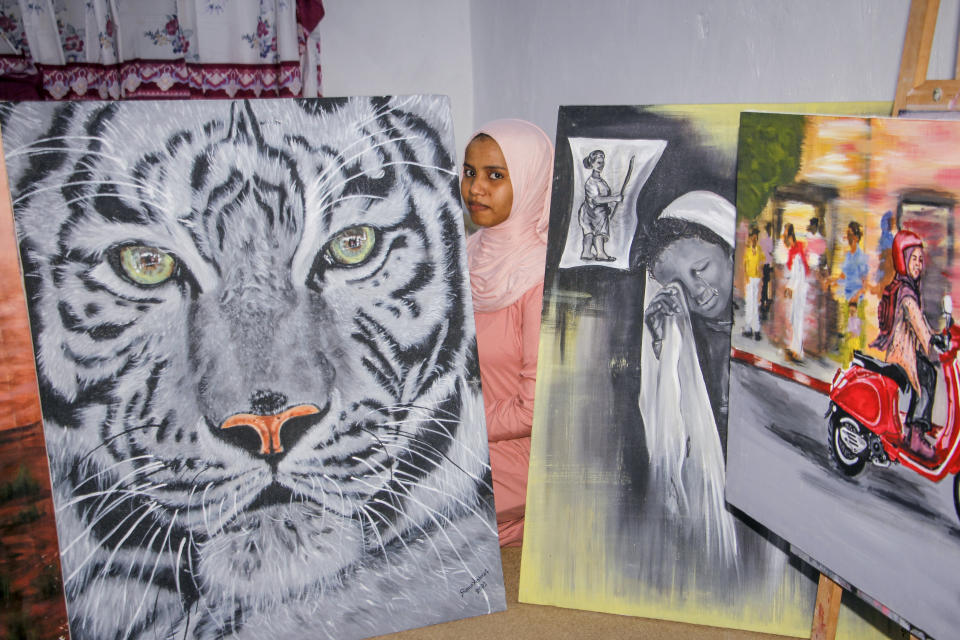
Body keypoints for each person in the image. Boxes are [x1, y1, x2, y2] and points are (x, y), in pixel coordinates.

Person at [462, 119, 553, 546]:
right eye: (469, 172)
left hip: (526, 450)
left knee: (418, 498)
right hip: (466, 435)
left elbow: (533, 412)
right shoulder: (464, 257)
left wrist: (455, 422)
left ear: (532, 180)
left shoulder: (539, 280)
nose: (476, 188)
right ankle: (513, 527)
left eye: (495, 176)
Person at [640, 190, 737, 565]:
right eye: (678, 284)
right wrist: (661, 344)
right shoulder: (685, 343)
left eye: (701, 268)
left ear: (729, 248)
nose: (696, 290)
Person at [870, 230, 947, 460]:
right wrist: (933, 341)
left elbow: (921, 324)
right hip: (902, 357)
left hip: (906, 352)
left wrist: (937, 336)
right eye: (914, 259)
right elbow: (919, 325)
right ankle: (915, 435)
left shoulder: (906, 286)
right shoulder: (906, 294)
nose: (918, 264)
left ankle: (913, 429)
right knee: (927, 377)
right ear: (903, 260)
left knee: (926, 370)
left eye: (921, 260)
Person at [832, 221, 869, 365]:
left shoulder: (861, 257)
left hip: (856, 303)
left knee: (854, 335)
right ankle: (847, 364)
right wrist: (832, 281)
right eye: (847, 234)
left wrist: (856, 296)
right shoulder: (849, 255)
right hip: (848, 300)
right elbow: (843, 275)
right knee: (849, 334)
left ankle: (853, 365)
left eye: (850, 234)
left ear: (856, 237)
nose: (847, 237)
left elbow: (864, 284)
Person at [578, 149, 623, 261]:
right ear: (592, 163)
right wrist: (615, 198)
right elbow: (596, 200)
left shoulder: (601, 181)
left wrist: (607, 208)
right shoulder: (591, 182)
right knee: (593, 233)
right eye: (598, 162)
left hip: (599, 213)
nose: (601, 165)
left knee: (591, 233)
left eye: (602, 162)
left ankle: (587, 253)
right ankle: (599, 254)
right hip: (590, 212)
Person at [782, 223, 808, 363]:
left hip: (799, 291)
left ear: (789, 236)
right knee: (793, 319)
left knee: (797, 320)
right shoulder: (792, 250)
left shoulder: (797, 252)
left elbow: (800, 274)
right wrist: (788, 287)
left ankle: (798, 351)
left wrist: (791, 288)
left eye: (785, 236)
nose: (784, 239)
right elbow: (793, 275)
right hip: (795, 289)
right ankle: (794, 347)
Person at [742, 225, 763, 340]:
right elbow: (744, 265)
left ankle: (753, 328)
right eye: (752, 238)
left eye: (756, 238)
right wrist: (746, 277)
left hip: (756, 279)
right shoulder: (747, 250)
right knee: (750, 303)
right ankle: (751, 328)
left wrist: (759, 272)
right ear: (750, 238)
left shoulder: (759, 250)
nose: (754, 240)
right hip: (749, 279)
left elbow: (761, 262)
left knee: (754, 304)